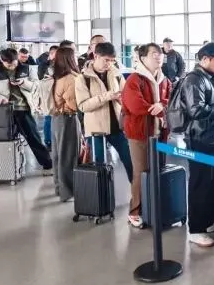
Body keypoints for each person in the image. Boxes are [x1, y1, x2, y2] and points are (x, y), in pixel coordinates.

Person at [175, 42, 214, 247]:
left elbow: (213, 103)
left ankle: (208, 219)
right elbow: (196, 110)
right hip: (199, 138)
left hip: (213, 137)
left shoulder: (210, 77)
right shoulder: (194, 79)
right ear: (204, 59)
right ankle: (196, 229)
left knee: (211, 181)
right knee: (200, 183)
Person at [120, 42, 172, 228]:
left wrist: (162, 105)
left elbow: (171, 99)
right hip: (139, 133)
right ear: (142, 58)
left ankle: (154, 206)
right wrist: (157, 108)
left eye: (160, 54)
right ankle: (135, 211)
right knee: (141, 172)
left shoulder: (164, 80)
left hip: (160, 133)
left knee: (159, 169)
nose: (159, 57)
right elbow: (135, 105)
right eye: (154, 54)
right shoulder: (134, 79)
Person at [76, 41, 135, 202]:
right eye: (106, 60)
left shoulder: (116, 74)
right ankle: (102, 200)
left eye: (112, 60)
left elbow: (126, 97)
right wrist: (107, 96)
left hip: (117, 127)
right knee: (100, 166)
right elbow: (83, 106)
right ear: (95, 56)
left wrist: (122, 100)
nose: (109, 64)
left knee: (130, 160)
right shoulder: (82, 78)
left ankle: (139, 193)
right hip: (96, 130)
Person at [0, 48, 53, 172]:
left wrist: (23, 83)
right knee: (4, 141)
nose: (12, 66)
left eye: (14, 63)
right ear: (2, 61)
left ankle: (47, 164)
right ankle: (5, 169)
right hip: (4, 111)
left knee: (34, 138)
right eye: (8, 64)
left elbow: (36, 86)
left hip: (23, 109)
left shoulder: (27, 69)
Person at [48, 47, 82, 201]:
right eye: (75, 55)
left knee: (58, 155)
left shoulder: (56, 76)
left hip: (56, 118)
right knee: (68, 155)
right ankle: (68, 192)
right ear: (69, 59)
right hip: (68, 118)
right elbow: (74, 104)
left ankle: (59, 188)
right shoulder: (71, 78)